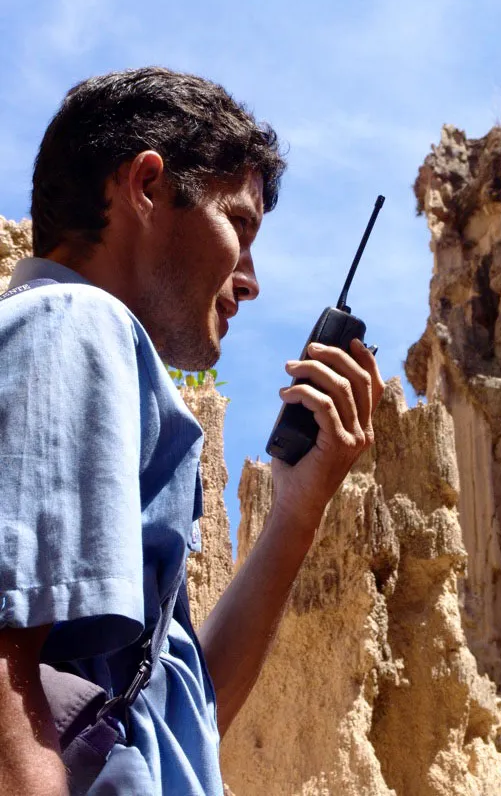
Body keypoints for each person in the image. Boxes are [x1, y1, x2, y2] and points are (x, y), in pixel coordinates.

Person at [0, 67, 384, 795]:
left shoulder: (84, 352)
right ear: (146, 186)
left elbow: (181, 720)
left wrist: (297, 510)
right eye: (237, 224)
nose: (250, 280)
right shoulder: (75, 324)